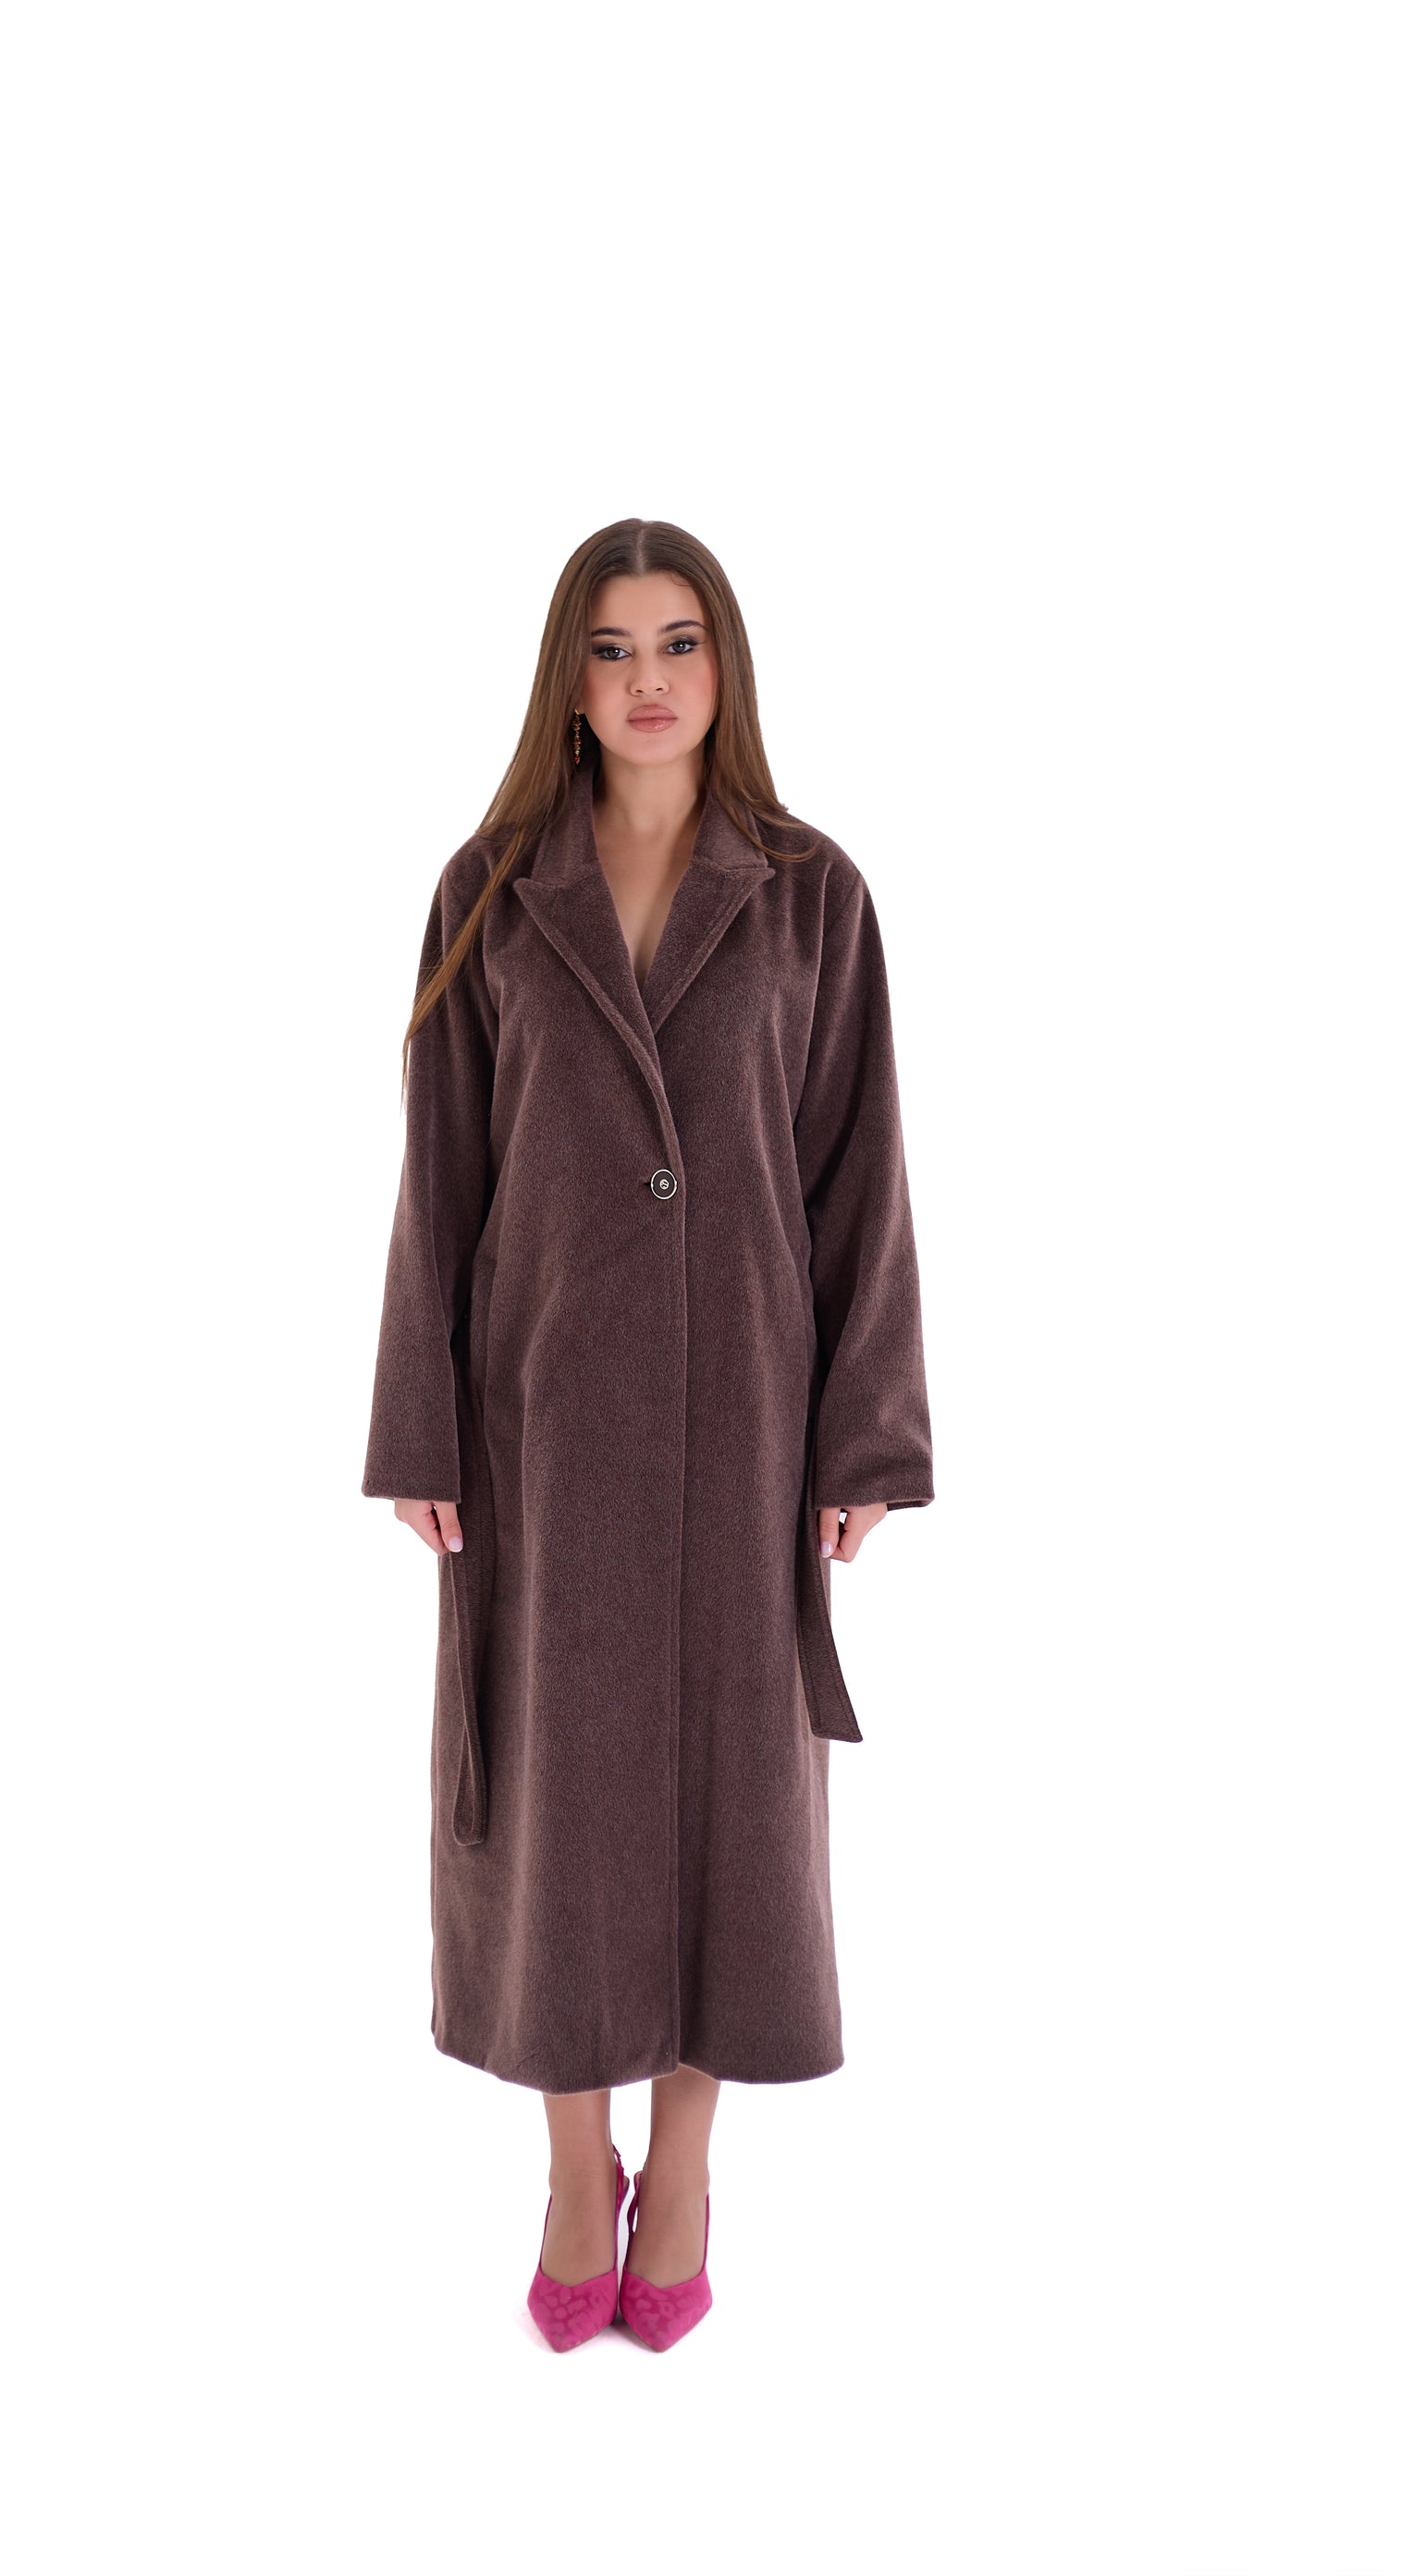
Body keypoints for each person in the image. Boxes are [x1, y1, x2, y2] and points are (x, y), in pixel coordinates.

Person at [362, 516, 934, 2352]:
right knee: (557, 1794)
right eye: (608, 649)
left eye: (676, 642)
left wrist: (862, 1438)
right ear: (568, 680)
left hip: (750, 1418)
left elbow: (861, 1178)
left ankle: (679, 2167)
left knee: (726, 1803)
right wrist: (420, 1419)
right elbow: (439, 1176)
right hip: (536, 1419)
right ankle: (567, 2160)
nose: (646, 680)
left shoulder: (812, 894)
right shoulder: (488, 888)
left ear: (724, 664)